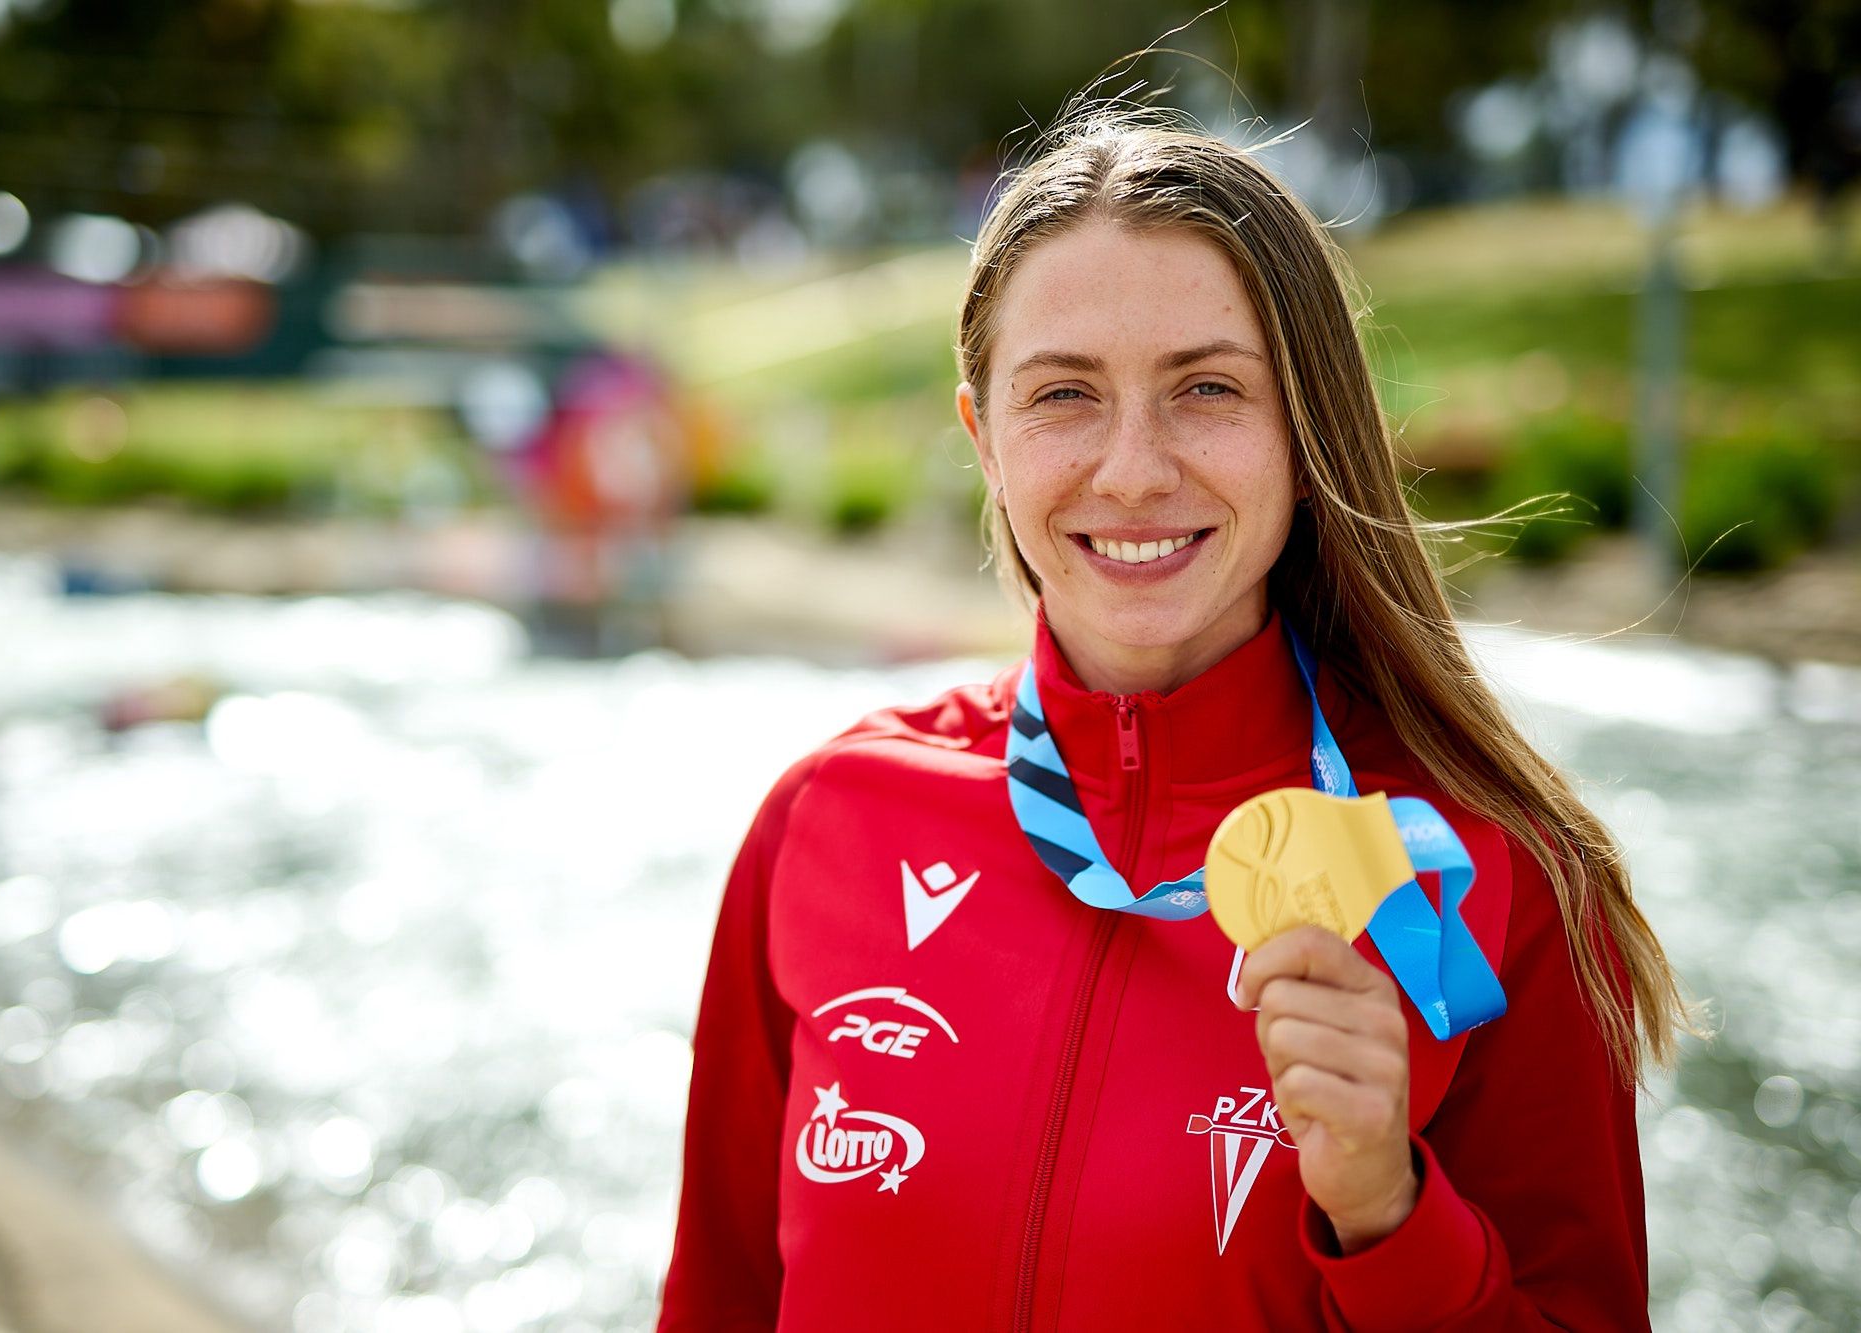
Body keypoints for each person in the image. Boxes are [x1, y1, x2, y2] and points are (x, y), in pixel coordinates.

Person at [657, 103, 1692, 1332]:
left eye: (1204, 388)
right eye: (1062, 395)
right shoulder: (824, 821)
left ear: (1304, 435)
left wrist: (1389, 1212)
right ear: (982, 436)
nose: (1134, 470)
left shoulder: (1498, 882)